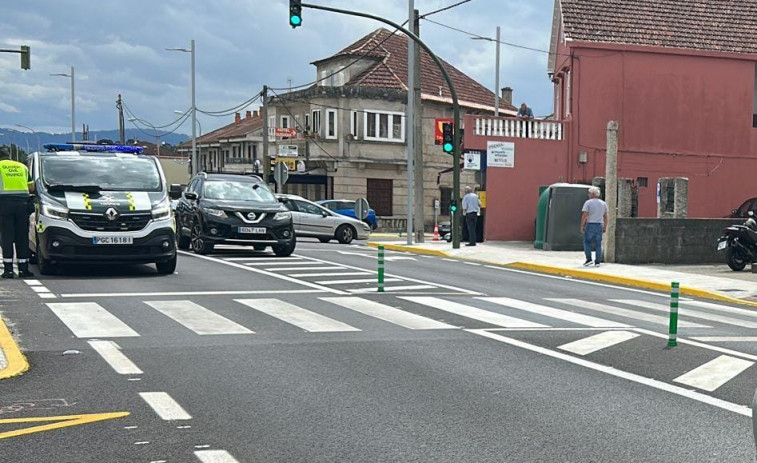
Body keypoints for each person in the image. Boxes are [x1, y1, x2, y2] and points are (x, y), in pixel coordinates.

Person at [0, 147, 35, 278]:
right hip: (23, 204)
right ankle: (23, 270)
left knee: (6, 236)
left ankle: (8, 270)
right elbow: (31, 188)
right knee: (22, 236)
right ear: (9, 156)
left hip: (4, 204)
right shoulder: (22, 167)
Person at [580, 186, 608, 267]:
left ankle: (589, 259)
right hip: (599, 225)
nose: (588, 195)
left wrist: (582, 226)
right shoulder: (603, 203)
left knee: (587, 242)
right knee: (598, 244)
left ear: (592, 194)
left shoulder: (588, 203)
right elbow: (605, 216)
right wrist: (605, 226)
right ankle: (597, 262)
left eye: (589, 193)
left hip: (590, 224)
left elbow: (585, 215)